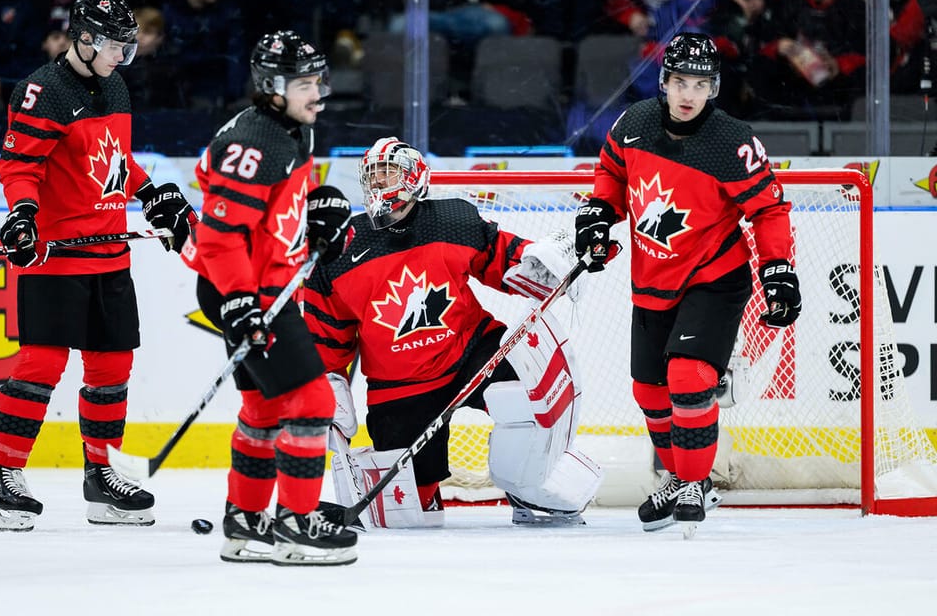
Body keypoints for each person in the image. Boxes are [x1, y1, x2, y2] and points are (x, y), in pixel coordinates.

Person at [0, 0, 197, 532]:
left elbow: (114, 161)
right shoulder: (41, 91)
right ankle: (1, 481)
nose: (125, 59)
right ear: (84, 39)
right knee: (41, 366)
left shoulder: (115, 86)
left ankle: (102, 477)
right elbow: (19, 167)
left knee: (112, 367)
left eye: (129, 48)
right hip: (54, 255)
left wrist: (152, 195)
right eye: (117, 48)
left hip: (108, 250)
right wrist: (23, 215)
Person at [302, 136, 604, 530]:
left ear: (413, 177)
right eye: (372, 175)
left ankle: (529, 488)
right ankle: (423, 492)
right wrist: (327, 382)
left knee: (525, 400)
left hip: (472, 352)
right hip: (399, 385)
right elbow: (327, 337)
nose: (379, 183)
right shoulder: (339, 249)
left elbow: (505, 260)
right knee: (410, 515)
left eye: (389, 172)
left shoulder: (452, 219)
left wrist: (549, 267)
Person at [572, 32, 800, 535]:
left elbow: (768, 211)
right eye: (679, 82)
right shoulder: (633, 125)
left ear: (714, 88)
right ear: (665, 82)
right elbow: (611, 175)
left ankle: (697, 483)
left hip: (714, 278)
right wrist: (597, 214)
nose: (688, 94)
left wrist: (777, 270)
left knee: (689, 379)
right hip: (652, 280)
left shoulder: (731, 142)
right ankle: (680, 476)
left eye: (699, 84)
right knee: (648, 390)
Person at [179, 30, 358, 566]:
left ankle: (245, 520)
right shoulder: (256, 140)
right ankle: (296, 527)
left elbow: (273, 209)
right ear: (271, 87)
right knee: (312, 403)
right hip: (252, 292)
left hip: (261, 286)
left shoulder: (290, 128)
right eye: (305, 83)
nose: (318, 93)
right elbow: (219, 236)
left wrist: (318, 207)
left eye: (318, 80)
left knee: (263, 407)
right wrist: (239, 301)